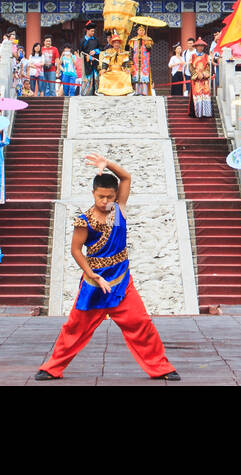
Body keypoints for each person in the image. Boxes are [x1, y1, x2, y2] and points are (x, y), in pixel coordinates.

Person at [35, 155, 178, 381]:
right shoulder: (84, 221)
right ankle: (52, 367)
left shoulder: (118, 210)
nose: (105, 201)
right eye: (101, 196)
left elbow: (126, 177)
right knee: (74, 328)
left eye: (109, 196)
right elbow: (76, 251)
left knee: (140, 323)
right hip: (94, 284)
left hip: (121, 281)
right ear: (93, 194)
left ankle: (161, 367)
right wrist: (93, 275)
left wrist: (107, 164)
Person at [189, 40, 212, 118]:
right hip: (196, 79)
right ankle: (197, 112)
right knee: (197, 95)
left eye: (202, 46)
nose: (200, 47)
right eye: (198, 46)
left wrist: (203, 74)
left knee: (205, 94)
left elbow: (208, 67)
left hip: (204, 78)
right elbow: (190, 67)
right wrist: (196, 74)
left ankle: (206, 113)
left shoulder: (206, 56)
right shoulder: (192, 56)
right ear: (196, 47)